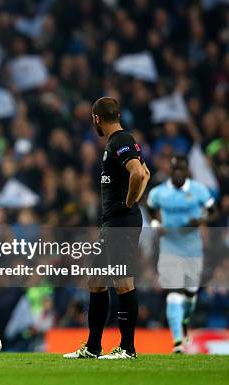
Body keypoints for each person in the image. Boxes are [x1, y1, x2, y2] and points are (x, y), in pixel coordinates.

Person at [64, 97, 150, 359]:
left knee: (123, 281)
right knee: (97, 281)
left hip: (121, 222)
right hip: (112, 223)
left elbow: (137, 173)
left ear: (96, 119)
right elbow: (146, 173)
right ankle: (93, 347)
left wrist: (129, 202)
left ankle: (128, 348)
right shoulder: (119, 142)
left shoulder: (120, 141)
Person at [147, 155, 217, 353]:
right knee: (174, 293)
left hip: (193, 250)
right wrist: (156, 224)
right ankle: (177, 340)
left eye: (181, 169)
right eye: (174, 169)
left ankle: (184, 321)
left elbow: (213, 211)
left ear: (187, 171)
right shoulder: (159, 192)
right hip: (170, 248)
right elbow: (151, 208)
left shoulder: (199, 191)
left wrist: (201, 219)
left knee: (190, 295)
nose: (178, 172)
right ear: (170, 170)